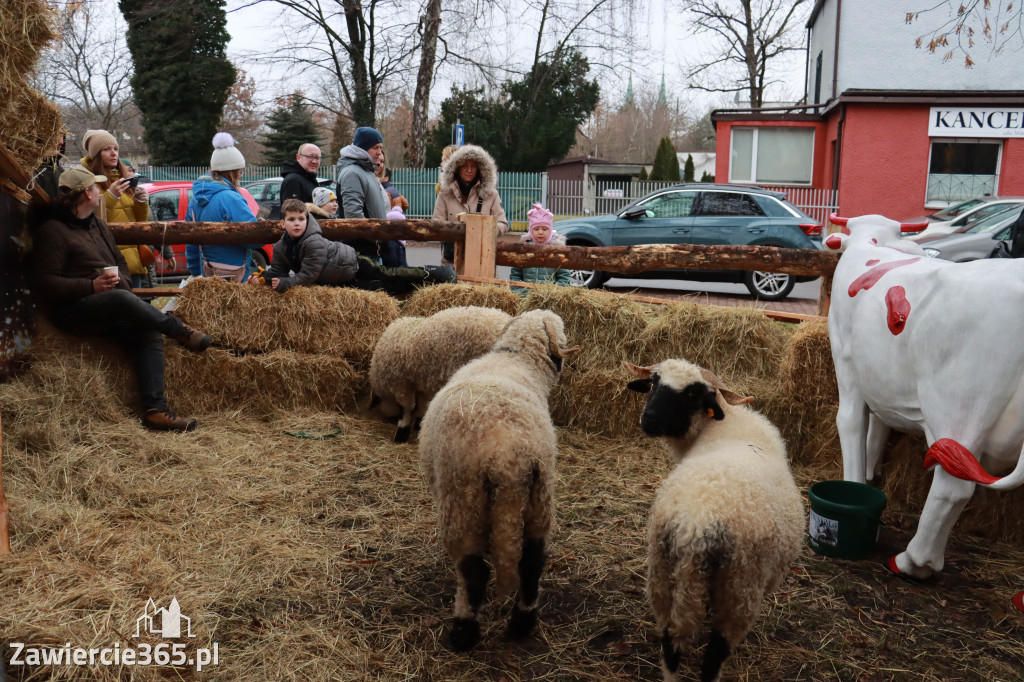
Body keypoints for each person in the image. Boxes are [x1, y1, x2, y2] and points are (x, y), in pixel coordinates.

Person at [30, 165, 211, 432]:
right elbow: (45, 282)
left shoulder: (98, 224)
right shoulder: (53, 231)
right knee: (120, 300)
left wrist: (121, 284)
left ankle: (156, 411)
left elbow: (120, 264)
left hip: (108, 305)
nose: (99, 191)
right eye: (96, 187)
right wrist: (91, 286)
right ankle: (179, 331)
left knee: (146, 327)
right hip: (72, 311)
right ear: (87, 194)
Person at [248, 198, 454, 294]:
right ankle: (417, 288)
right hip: (341, 278)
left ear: (307, 220)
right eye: (291, 219)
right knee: (381, 289)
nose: (297, 223)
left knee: (387, 273)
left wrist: (284, 284)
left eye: (301, 218)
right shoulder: (282, 247)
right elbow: (277, 271)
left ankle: (432, 273)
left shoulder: (313, 241)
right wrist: (262, 279)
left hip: (352, 262)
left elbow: (309, 275)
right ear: (283, 223)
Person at [185, 133, 263, 282]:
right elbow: (252, 238)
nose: (241, 176)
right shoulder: (231, 198)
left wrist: (196, 273)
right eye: (240, 171)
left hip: (207, 272)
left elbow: (190, 241)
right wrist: (262, 228)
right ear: (232, 172)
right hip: (235, 272)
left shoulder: (195, 201)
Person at [82, 129, 151, 288]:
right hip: (108, 261)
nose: (114, 153)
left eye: (115, 149)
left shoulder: (125, 179)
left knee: (135, 309)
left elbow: (140, 222)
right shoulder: (88, 181)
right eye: (106, 149)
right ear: (96, 155)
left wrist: (141, 203)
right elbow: (90, 218)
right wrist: (111, 196)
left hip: (133, 260)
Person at [335, 127, 410, 267]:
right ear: (363, 148)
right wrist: (374, 237)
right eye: (375, 147)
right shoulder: (352, 173)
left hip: (372, 247)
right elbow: (354, 216)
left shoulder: (366, 171)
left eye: (380, 148)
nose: (379, 152)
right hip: (360, 251)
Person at [432, 144, 509, 265]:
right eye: (465, 165)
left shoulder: (491, 194)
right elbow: (436, 223)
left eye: (473, 166)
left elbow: (503, 224)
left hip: (483, 262)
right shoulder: (445, 193)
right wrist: (457, 231)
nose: (469, 170)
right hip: (452, 263)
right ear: (457, 167)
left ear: (480, 168)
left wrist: (484, 229)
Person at [509, 204, 571, 289]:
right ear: (531, 231)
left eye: (544, 229)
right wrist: (520, 292)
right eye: (536, 229)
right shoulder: (523, 249)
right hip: (525, 296)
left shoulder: (557, 251)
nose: (540, 232)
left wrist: (554, 294)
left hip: (548, 297)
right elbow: (516, 275)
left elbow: (564, 277)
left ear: (550, 230)